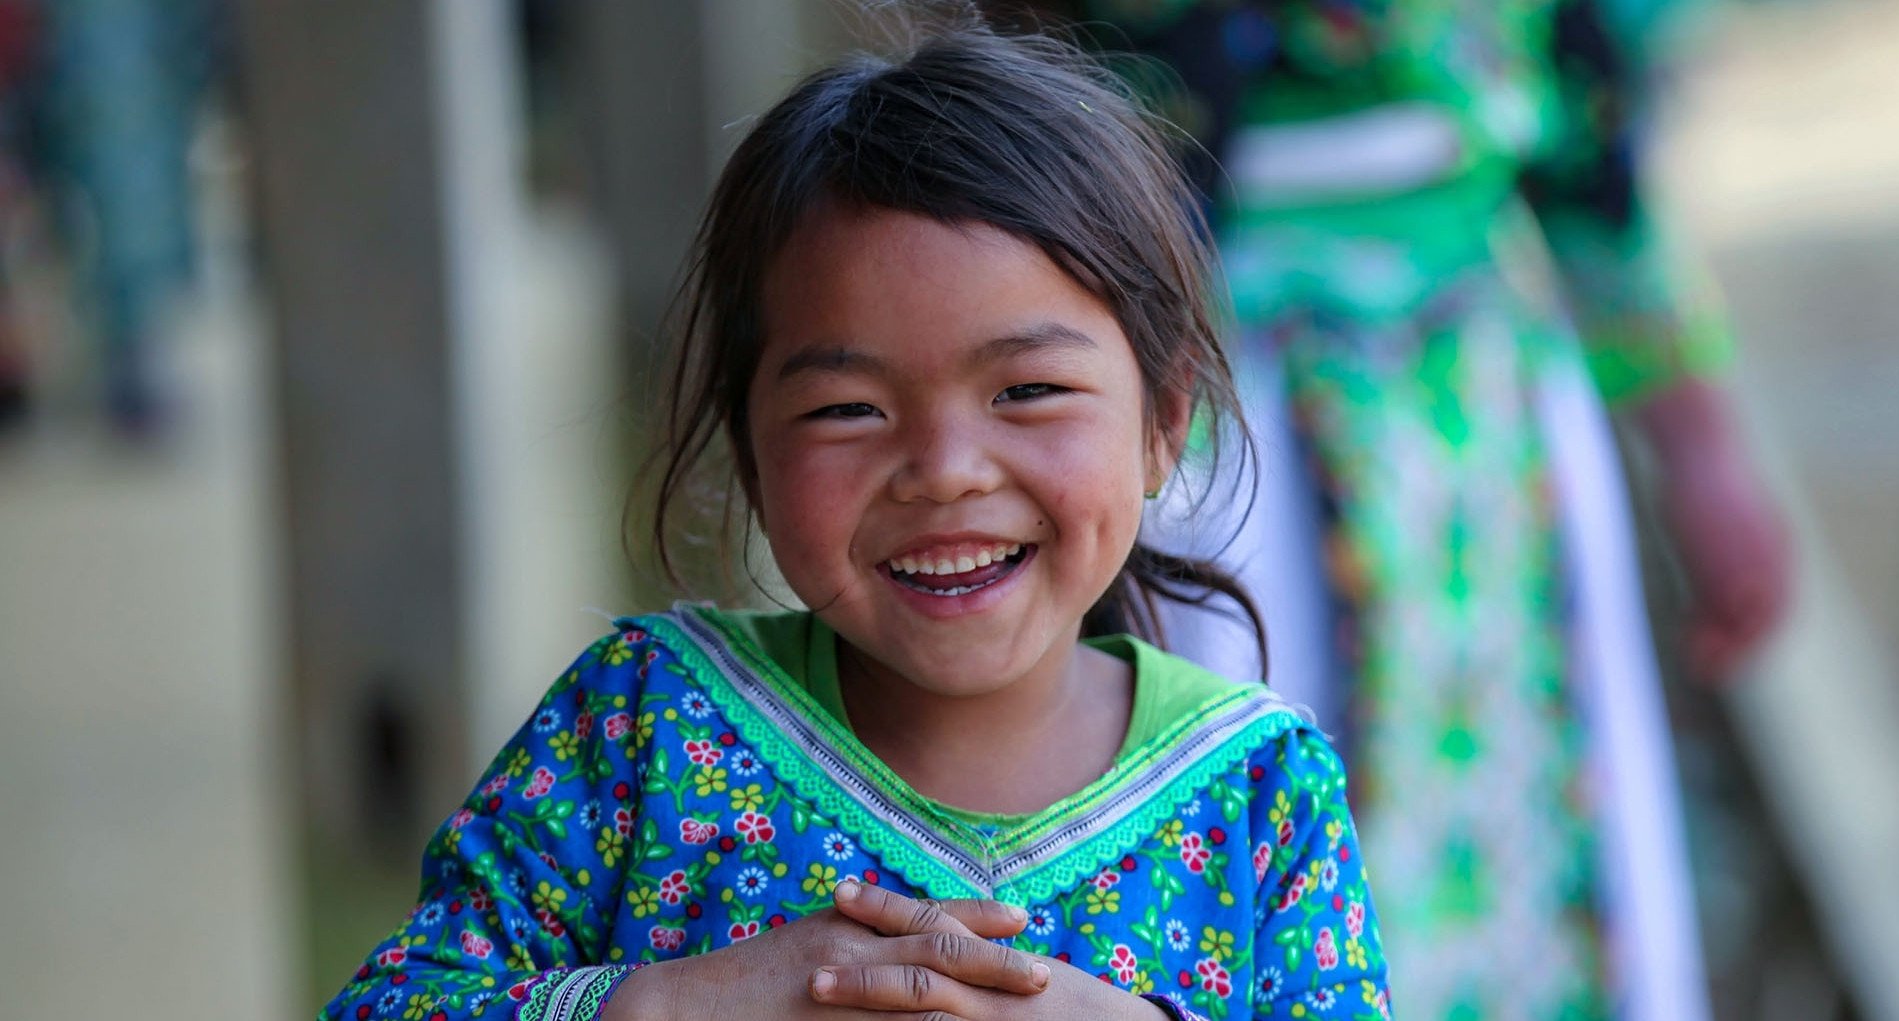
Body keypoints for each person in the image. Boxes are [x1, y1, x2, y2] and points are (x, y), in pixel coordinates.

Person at [321, 20, 1390, 1021]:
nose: (942, 472)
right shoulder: (648, 722)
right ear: (749, 448)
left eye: (1027, 391)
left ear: (1165, 419)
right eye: (848, 410)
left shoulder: (1258, 794)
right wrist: (665, 1001)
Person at [999, 1, 1791, 1018]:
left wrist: (1701, 450)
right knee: (1227, 815)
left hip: (1484, 438)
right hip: (1214, 433)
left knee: (1525, 843)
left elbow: (1593, 164)